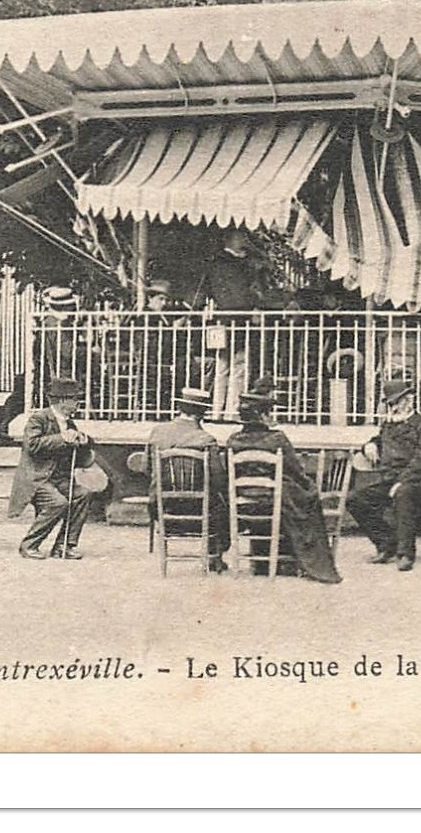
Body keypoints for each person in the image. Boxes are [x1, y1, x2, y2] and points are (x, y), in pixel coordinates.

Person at [225, 377, 341, 583]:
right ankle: (299, 561)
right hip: (274, 500)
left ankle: (262, 562)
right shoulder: (277, 439)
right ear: (262, 415)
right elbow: (294, 470)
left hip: (243, 503)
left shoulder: (233, 440)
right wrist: (308, 485)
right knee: (306, 498)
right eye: (268, 413)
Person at [348, 376, 421, 572]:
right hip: (389, 479)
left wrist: (403, 481)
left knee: (403, 493)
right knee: (356, 499)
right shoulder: (388, 426)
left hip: (418, 482)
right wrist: (369, 445)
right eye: (392, 403)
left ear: (410, 400)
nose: (395, 407)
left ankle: (405, 553)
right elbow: (378, 439)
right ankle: (385, 543)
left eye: (399, 401)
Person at [144, 384, 228, 573]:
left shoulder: (157, 432)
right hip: (200, 512)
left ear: (180, 409)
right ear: (202, 414)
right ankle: (214, 557)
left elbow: (146, 469)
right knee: (222, 502)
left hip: (162, 508)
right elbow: (219, 480)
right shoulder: (206, 439)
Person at [16, 377, 97, 560]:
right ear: (62, 401)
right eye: (75, 399)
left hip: (59, 479)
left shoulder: (68, 422)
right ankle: (29, 545)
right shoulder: (39, 418)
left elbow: (80, 451)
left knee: (83, 494)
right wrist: (62, 438)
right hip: (37, 479)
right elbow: (32, 445)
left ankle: (64, 545)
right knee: (58, 503)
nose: (78, 403)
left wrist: (84, 441)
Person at [198, 230, 267, 417]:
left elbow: (204, 291)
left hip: (222, 319)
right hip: (240, 318)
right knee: (239, 365)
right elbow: (251, 291)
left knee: (223, 366)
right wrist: (256, 306)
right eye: (241, 237)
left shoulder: (214, 264)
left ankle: (217, 409)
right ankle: (232, 409)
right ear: (232, 239)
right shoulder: (243, 265)